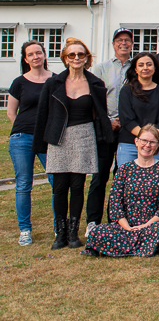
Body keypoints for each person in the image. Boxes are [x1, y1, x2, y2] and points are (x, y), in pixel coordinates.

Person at [33, 38, 114, 250]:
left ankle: (73, 232)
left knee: (78, 186)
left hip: (85, 136)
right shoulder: (53, 83)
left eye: (81, 54)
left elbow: (101, 114)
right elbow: (43, 114)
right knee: (59, 187)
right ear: (65, 59)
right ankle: (60, 233)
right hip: (59, 137)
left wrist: (105, 138)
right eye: (72, 55)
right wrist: (40, 145)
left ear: (87, 57)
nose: (77, 58)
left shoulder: (96, 83)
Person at [81, 125, 159, 257]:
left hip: (153, 225)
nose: (147, 145)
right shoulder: (124, 169)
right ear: (136, 142)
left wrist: (145, 225)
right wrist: (127, 227)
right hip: (126, 227)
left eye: (152, 142)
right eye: (144, 141)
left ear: (157, 146)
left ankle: (123, 246)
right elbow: (115, 202)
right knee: (97, 231)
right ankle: (149, 245)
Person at [86, 28, 132, 235]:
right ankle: (93, 221)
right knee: (99, 175)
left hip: (128, 128)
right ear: (113, 44)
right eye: (120, 40)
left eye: (127, 41)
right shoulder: (101, 68)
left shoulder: (137, 67)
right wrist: (108, 120)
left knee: (122, 176)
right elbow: (93, 99)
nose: (124, 44)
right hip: (105, 128)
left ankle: (116, 218)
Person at [7, 40, 54, 246]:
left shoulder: (56, 80)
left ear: (44, 55)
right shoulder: (19, 82)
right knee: (24, 184)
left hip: (48, 138)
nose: (35, 57)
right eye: (31, 54)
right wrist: (24, 129)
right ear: (26, 59)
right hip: (22, 138)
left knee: (56, 182)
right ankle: (25, 230)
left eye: (39, 52)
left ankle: (58, 226)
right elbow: (11, 112)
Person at [117, 52, 159, 166]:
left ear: (155, 68)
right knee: (127, 182)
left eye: (149, 64)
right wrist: (145, 139)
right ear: (135, 69)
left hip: (153, 145)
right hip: (129, 144)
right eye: (141, 65)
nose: (145, 67)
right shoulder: (126, 91)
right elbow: (127, 120)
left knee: (151, 183)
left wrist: (149, 141)